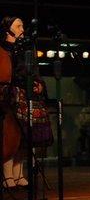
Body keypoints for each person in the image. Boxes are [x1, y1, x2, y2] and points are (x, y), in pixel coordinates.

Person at [0, 16, 53, 188]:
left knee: (24, 136)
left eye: (22, 26)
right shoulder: (3, 49)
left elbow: (34, 71)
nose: (22, 29)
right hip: (9, 97)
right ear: (8, 29)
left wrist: (39, 84)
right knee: (11, 134)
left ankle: (18, 174)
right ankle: (7, 175)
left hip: (26, 93)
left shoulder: (26, 50)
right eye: (18, 26)